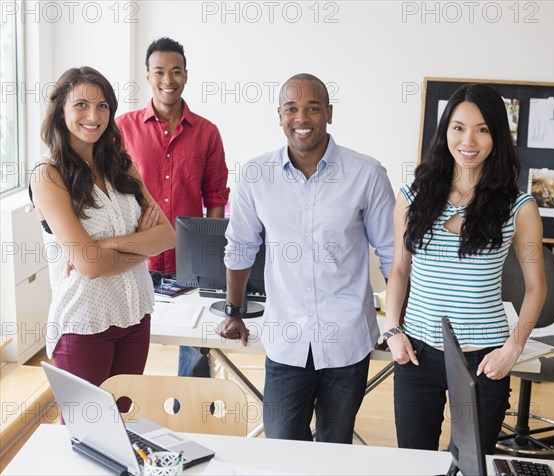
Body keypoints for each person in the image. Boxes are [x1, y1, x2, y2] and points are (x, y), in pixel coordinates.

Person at [217, 73, 395, 443]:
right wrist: (235, 311)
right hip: (287, 341)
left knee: (334, 450)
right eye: (291, 109)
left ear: (329, 113)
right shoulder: (255, 176)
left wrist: (393, 323)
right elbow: (240, 246)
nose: (302, 118)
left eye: (313, 108)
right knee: (282, 448)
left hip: (347, 341)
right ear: (278, 115)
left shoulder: (367, 174)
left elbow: (393, 254)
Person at [383, 84, 546, 454]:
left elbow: (536, 287)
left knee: (470, 461)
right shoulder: (412, 197)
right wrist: (393, 330)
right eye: (458, 127)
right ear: (445, 133)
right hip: (416, 353)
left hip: (484, 360)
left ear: (498, 136)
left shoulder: (519, 208)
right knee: (414, 458)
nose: (468, 140)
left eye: (482, 129)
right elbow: (399, 268)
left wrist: (513, 347)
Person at [29, 66, 176, 391]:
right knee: (87, 431)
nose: (93, 115)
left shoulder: (122, 166)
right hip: (84, 322)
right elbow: (90, 265)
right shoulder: (49, 174)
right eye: (81, 104)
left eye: (103, 106)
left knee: (125, 424)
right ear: (60, 110)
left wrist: (108, 244)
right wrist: (139, 244)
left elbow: (167, 235)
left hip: (135, 314)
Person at [116, 37, 230, 378]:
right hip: (137, 256)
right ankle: (124, 407)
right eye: (160, 72)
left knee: (195, 348)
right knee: (125, 341)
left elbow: (215, 198)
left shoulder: (207, 133)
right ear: (148, 76)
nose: (169, 79)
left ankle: (194, 415)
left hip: (187, 259)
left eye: (176, 71)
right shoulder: (122, 128)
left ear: (186, 75)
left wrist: (209, 256)